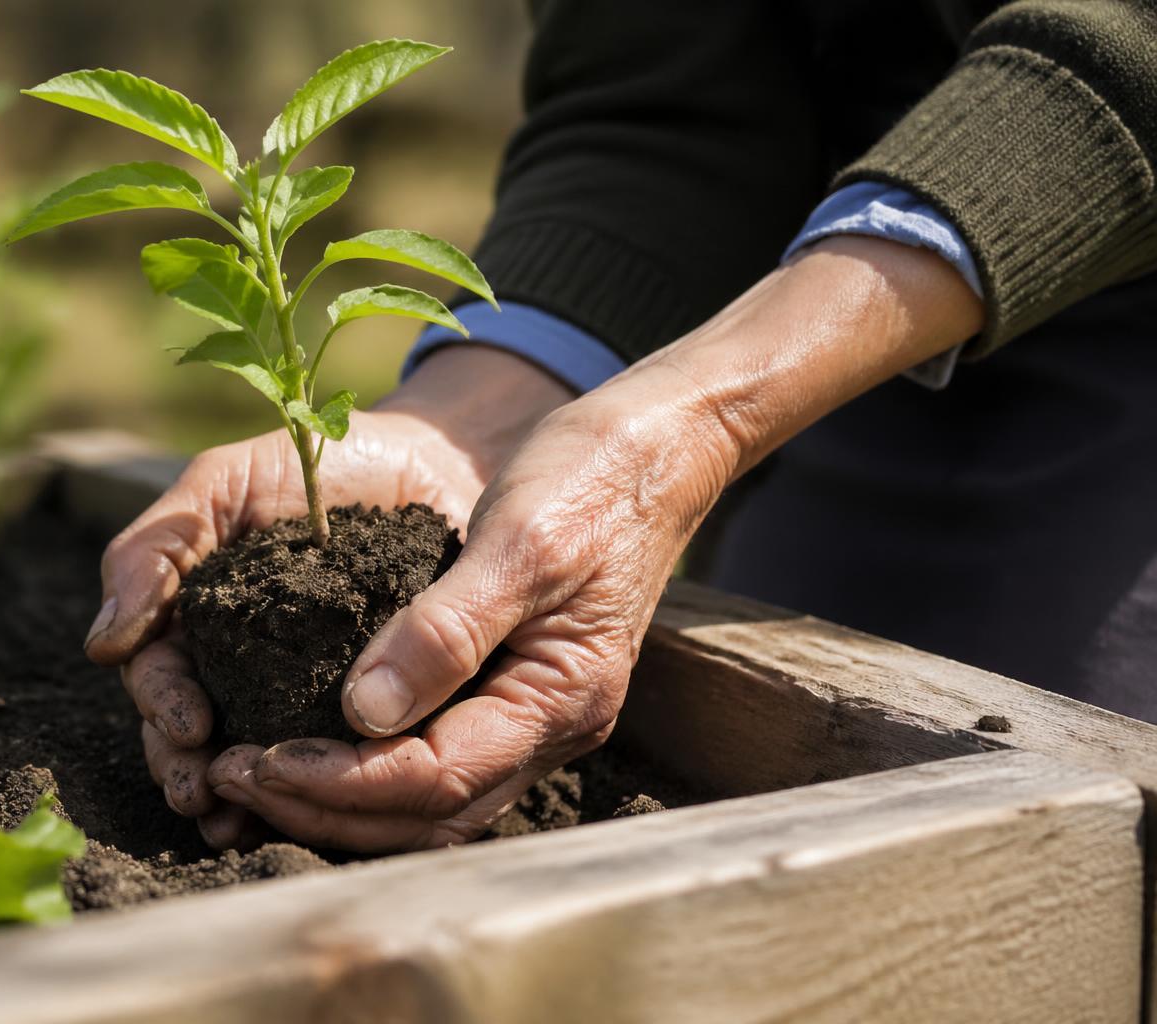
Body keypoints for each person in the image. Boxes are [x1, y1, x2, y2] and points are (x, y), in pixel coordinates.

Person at [84, 1, 1157, 852]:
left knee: (1048, 837)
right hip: (798, 301)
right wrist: (466, 425)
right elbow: (659, 105)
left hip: (1126, 303)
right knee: (778, 791)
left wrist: (697, 415)